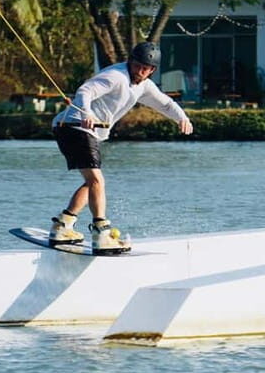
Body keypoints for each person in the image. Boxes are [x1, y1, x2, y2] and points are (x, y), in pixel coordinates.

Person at [49, 41, 194, 254]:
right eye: (137, 65)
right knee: (97, 181)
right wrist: (86, 112)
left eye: (146, 68)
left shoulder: (143, 85)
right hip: (75, 126)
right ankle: (101, 232)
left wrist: (182, 118)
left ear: (152, 70)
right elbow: (85, 90)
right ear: (130, 61)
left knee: (92, 183)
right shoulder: (116, 76)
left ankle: (63, 225)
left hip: (83, 131)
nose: (140, 71)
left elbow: (165, 104)